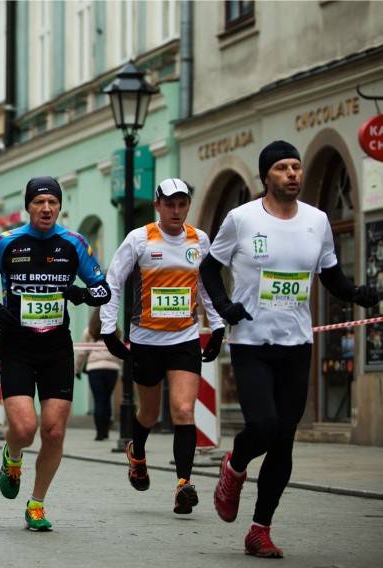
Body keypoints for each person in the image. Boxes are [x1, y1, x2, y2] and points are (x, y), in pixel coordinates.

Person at [200, 140, 379, 558]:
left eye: (296, 167)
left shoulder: (317, 221)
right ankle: (234, 466)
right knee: (263, 426)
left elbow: (331, 274)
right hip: (251, 343)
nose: (293, 174)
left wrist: (356, 293)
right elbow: (209, 268)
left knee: (284, 440)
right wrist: (225, 307)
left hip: (297, 343)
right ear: (267, 177)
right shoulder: (240, 219)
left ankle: (260, 529)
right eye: (283, 167)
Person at [0, 175, 111, 531]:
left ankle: (36, 504)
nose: (46, 208)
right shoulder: (6, 242)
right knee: (24, 428)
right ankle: (12, 455)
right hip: (17, 345)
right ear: (28, 207)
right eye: (39, 202)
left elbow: (103, 290)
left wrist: (80, 293)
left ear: (59, 207)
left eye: (52, 203)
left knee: (53, 432)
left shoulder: (74, 243)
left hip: (56, 347)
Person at [99, 178, 225, 516]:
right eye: (169, 204)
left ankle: (184, 484)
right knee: (149, 413)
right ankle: (137, 454)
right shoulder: (139, 239)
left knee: (184, 410)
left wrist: (217, 328)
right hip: (145, 339)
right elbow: (114, 280)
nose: (176, 210)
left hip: (184, 337)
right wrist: (109, 330)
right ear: (158, 205)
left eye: (182, 203)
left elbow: (207, 287)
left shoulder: (200, 240)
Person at [74, 309, 122, 441]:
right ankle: (106, 430)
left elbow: (82, 353)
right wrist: (122, 368)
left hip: (94, 369)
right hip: (112, 369)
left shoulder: (89, 331)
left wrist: (77, 370)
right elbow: (119, 352)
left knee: (99, 400)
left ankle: (100, 432)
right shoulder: (114, 332)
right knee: (107, 399)